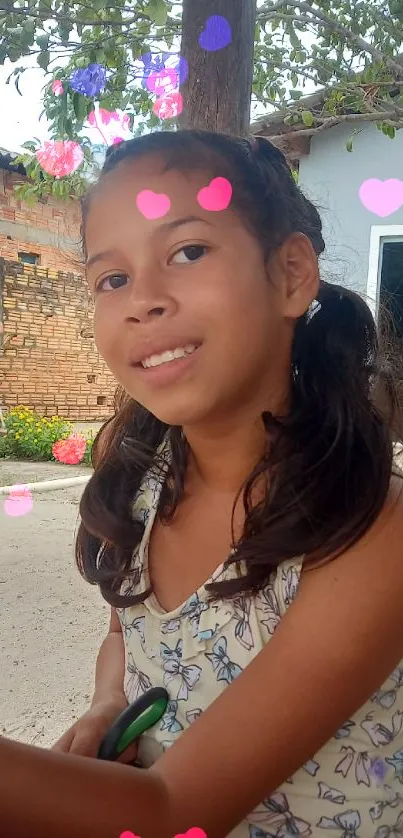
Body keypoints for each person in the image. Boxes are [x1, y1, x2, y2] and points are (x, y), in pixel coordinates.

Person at [1, 130, 403, 838]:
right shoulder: (141, 473)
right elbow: (130, 625)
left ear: (289, 274)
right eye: (111, 278)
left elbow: (171, 814)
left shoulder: (373, 532)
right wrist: (106, 701)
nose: (142, 300)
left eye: (187, 252)